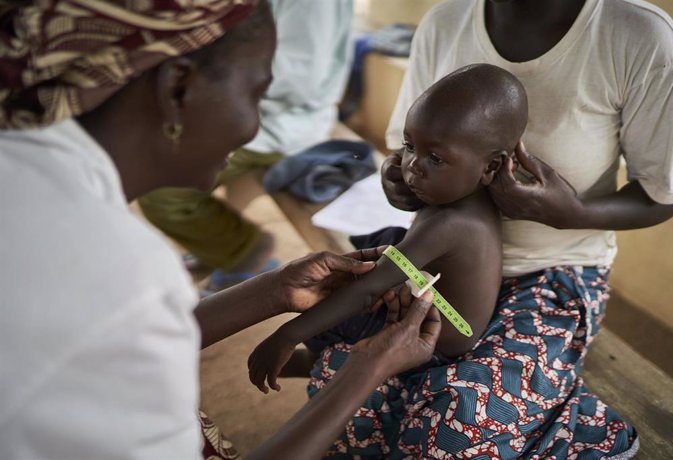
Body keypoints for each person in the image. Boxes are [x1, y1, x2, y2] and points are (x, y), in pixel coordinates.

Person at [0, 1, 441, 459]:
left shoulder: (30, 185)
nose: (253, 128)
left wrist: (273, 290)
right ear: (178, 87)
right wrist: (368, 370)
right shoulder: (123, 269)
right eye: (255, 93)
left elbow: (101, 342)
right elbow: (120, 316)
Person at [305, 0, 673, 458]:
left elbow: (661, 195)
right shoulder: (446, 22)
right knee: (347, 405)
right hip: (438, 266)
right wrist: (397, 176)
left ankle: (581, 431)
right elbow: (406, 145)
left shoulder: (636, 35)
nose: (415, 164)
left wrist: (569, 213)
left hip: (552, 275)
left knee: (450, 426)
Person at [247, 63, 527, 392]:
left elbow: (369, 290)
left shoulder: (453, 222)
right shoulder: (463, 190)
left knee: (333, 297)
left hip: (439, 338)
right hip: (432, 293)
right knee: (374, 250)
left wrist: (287, 335)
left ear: (491, 166)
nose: (411, 167)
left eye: (434, 158)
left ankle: (312, 362)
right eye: (409, 146)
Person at [137, 0, 355, 286]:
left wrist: (209, 82)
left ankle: (246, 253)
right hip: (256, 112)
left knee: (161, 192)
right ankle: (220, 248)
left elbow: (301, 79)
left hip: (279, 123)